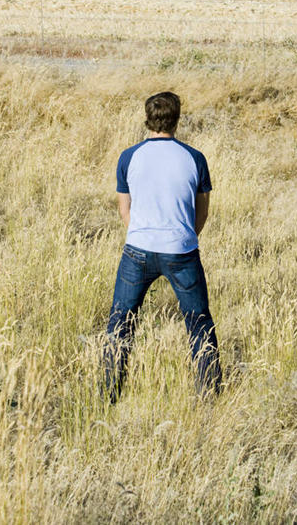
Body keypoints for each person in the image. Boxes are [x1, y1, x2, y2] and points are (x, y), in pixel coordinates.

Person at [103, 91, 222, 401]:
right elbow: (203, 210)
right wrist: (183, 235)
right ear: (177, 119)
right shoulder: (194, 158)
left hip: (137, 249)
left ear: (147, 119)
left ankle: (109, 394)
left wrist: (143, 235)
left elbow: (124, 208)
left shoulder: (129, 156)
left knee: (121, 320)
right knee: (199, 323)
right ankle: (209, 394)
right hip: (181, 250)